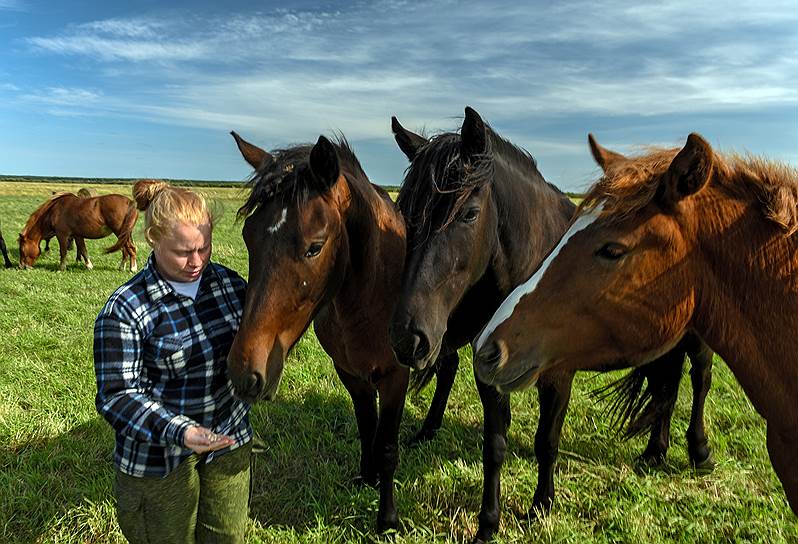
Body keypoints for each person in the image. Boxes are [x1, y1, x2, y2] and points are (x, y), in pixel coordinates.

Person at [94, 179, 251, 543]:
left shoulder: (231, 286)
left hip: (229, 440)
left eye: (204, 248)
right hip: (158, 459)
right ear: (152, 238)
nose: (196, 262)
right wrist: (181, 431)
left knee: (226, 536)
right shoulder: (126, 309)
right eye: (183, 252)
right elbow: (117, 396)